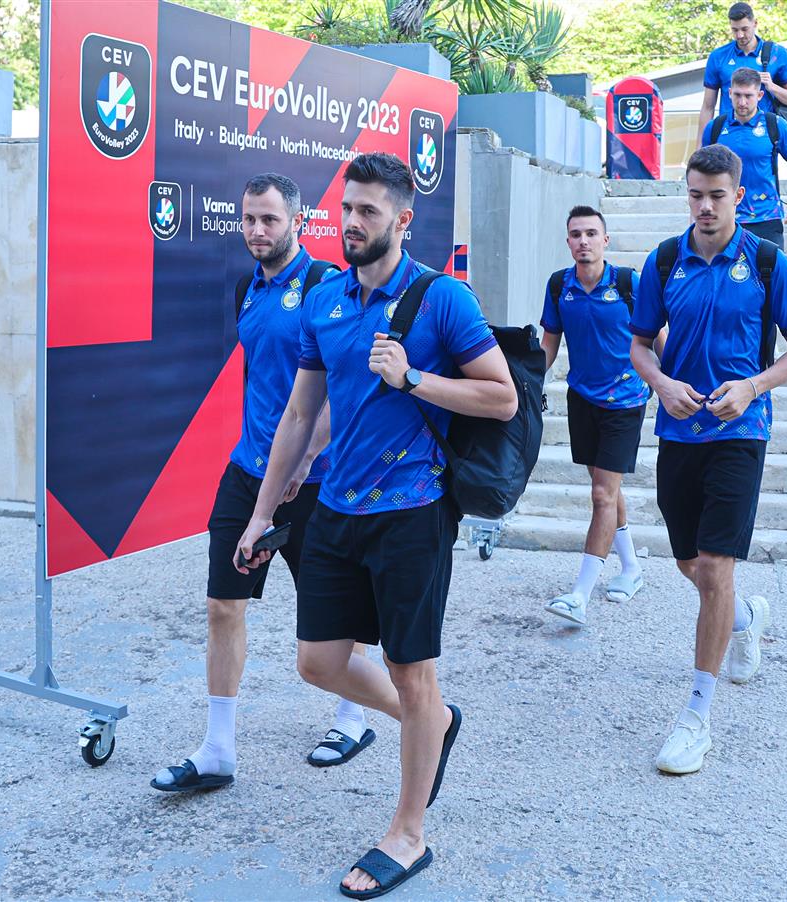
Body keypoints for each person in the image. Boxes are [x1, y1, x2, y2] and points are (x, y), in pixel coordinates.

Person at [236, 152, 517, 898]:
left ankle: (408, 832)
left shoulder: (441, 298)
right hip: (336, 506)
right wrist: (263, 513)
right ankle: (434, 722)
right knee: (318, 662)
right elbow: (300, 415)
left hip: (413, 510)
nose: (353, 222)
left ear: (402, 219)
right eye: (347, 208)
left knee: (409, 671)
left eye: (369, 211)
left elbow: (503, 398)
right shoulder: (325, 299)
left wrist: (414, 377)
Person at [151, 174, 377, 794]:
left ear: (297, 222)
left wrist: (306, 458)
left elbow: (340, 388)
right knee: (223, 605)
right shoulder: (246, 288)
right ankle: (218, 749)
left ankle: (352, 718)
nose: (256, 230)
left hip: (317, 482)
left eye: (269, 220)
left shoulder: (328, 286)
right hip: (249, 471)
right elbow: (261, 382)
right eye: (249, 219)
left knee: (334, 613)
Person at [629, 144, 787, 776]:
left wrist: (752, 387)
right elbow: (639, 345)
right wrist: (661, 385)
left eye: (716, 195)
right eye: (695, 195)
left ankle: (696, 718)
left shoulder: (764, 260)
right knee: (691, 565)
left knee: (714, 565)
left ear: (739, 195)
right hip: (679, 431)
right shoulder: (664, 259)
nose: (705, 207)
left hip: (741, 431)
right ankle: (745, 616)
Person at [540, 206, 658, 626]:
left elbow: (659, 338)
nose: (583, 241)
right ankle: (632, 568)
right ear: (568, 241)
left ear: (605, 240)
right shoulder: (559, 285)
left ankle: (580, 594)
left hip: (625, 399)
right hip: (582, 398)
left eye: (591, 233)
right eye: (576, 234)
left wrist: (672, 386)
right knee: (606, 489)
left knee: (602, 495)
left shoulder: (628, 283)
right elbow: (549, 344)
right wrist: (530, 383)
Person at [702, 67, 787, 247]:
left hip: (766, 218)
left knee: (771, 266)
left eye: (748, 96)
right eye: (737, 95)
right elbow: (702, 174)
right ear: (729, 93)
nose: (742, 102)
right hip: (724, 218)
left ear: (760, 95)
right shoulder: (715, 127)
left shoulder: (775, 125)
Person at [698, 1, 787, 146]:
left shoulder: (777, 53)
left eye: (744, 29)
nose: (740, 35)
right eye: (735, 30)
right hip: (727, 136)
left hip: (764, 138)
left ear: (755, 23)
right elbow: (708, 107)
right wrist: (700, 150)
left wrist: (772, 87)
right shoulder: (718, 56)